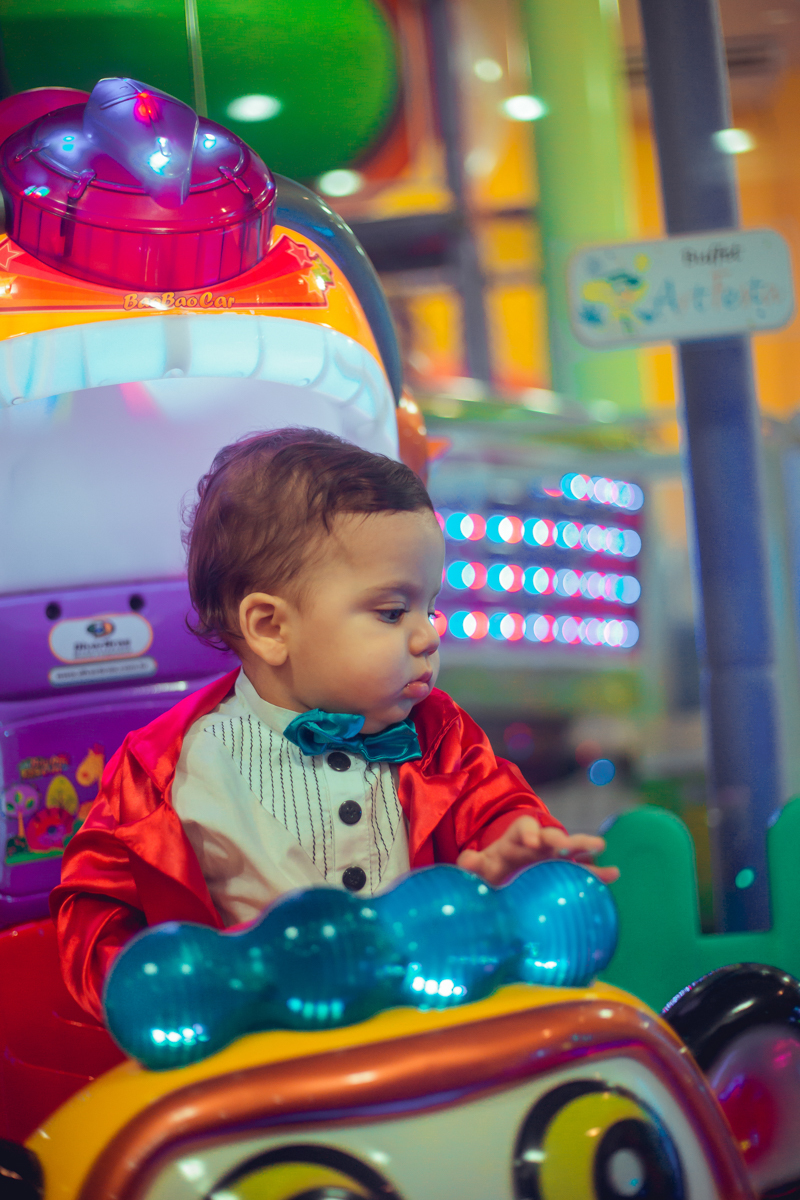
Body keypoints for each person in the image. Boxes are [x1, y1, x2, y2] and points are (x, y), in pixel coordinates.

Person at [52, 428, 618, 1021]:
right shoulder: (164, 771)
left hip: (424, 1031)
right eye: (393, 612)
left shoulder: (440, 736)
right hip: (263, 1065)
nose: (428, 635)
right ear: (271, 627)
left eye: (430, 607)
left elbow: (495, 809)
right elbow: (95, 918)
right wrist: (176, 990)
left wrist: (514, 854)